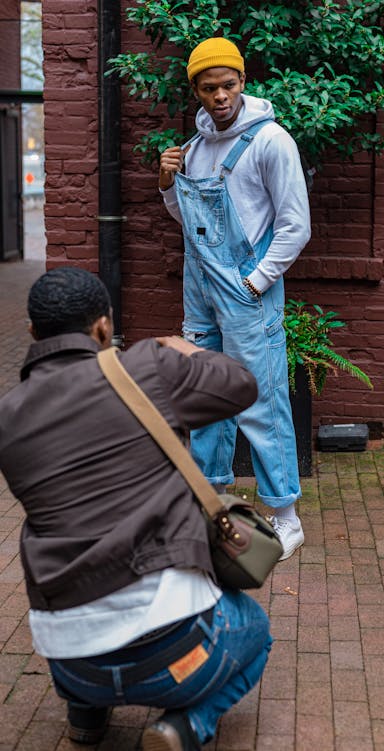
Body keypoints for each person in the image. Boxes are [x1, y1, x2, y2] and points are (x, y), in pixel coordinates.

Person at [0, 267, 272, 751]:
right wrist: (185, 347)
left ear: (33, 334)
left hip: (70, 663)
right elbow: (241, 385)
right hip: (176, 652)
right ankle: (184, 728)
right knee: (254, 629)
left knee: (89, 624)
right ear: (104, 327)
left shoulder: (8, 416)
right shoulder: (145, 368)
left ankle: (86, 716)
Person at [159, 37, 311, 561]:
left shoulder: (271, 142)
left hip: (248, 291)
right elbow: (191, 224)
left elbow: (296, 225)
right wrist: (165, 186)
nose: (219, 95)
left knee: (262, 399)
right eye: (208, 87)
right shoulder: (196, 150)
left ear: (243, 82)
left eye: (228, 84)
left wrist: (256, 281)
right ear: (196, 91)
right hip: (199, 289)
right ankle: (213, 500)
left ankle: (284, 515)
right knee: (204, 397)